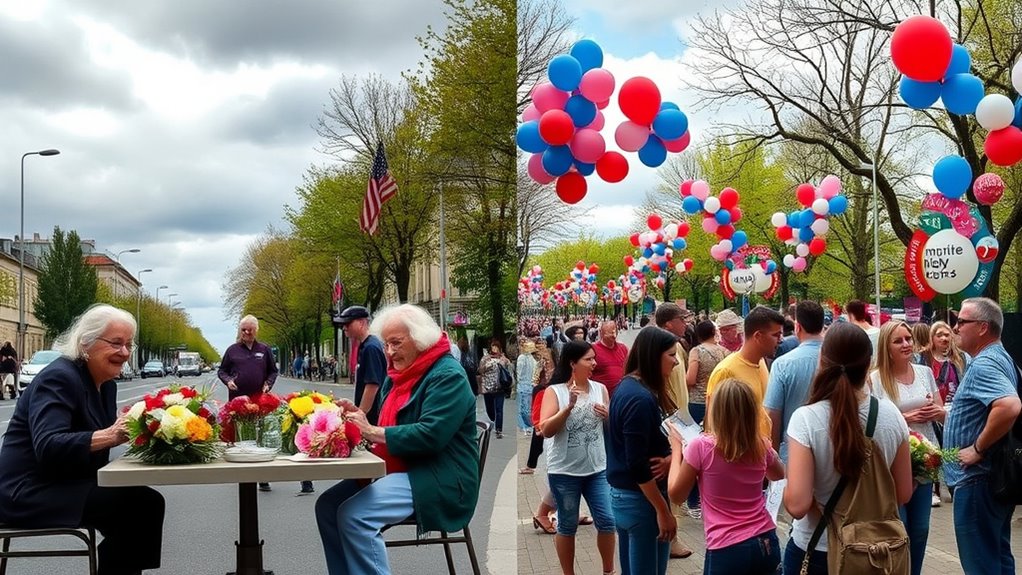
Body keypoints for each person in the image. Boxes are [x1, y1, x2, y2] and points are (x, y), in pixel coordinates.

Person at [0, 304, 165, 574]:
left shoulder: (106, 386)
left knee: (145, 505)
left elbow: (100, 445)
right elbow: (49, 445)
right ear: (85, 343)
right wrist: (110, 435)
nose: (125, 353)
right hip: (28, 491)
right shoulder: (59, 378)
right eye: (116, 343)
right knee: (138, 507)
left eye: (129, 345)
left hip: (65, 482)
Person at [316, 304, 479, 575]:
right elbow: (389, 424)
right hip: (409, 465)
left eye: (396, 343)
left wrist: (371, 431)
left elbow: (431, 435)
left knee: (356, 515)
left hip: (439, 476)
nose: (389, 352)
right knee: (327, 506)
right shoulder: (398, 374)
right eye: (386, 344)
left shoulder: (448, 375)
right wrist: (359, 416)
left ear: (420, 340)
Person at [781, 322, 912, 574]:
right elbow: (903, 493)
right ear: (869, 363)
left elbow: (797, 505)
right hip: (875, 553)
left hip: (819, 549)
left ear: (822, 360)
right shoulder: (891, 415)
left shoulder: (806, 419)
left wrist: (784, 484)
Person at [667, 379, 786, 575]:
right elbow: (778, 473)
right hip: (765, 540)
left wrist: (677, 450)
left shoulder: (701, 447)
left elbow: (676, 495)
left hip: (726, 547)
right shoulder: (760, 445)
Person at [943, 298, 1021, 575]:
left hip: (977, 480)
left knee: (981, 565)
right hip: (992, 479)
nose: (955, 328)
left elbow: (1009, 405)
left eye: (961, 322)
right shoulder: (1001, 357)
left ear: (983, 327)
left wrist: (977, 447)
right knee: (999, 558)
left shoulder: (984, 364)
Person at [606, 326, 683, 575]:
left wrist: (671, 458)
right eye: (671, 355)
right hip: (641, 501)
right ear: (653, 355)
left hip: (628, 497)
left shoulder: (628, 387)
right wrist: (662, 510)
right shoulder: (640, 398)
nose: (676, 362)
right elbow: (637, 464)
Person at [870, 320, 944, 575]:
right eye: (898, 341)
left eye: (908, 339)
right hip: (892, 463)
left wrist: (936, 412)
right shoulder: (876, 379)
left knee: (921, 528)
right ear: (886, 347)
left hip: (924, 459)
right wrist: (905, 418)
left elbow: (940, 409)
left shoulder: (924, 373)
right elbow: (873, 422)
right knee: (898, 526)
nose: (906, 344)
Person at [539, 340, 615, 575]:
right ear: (573, 363)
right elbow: (546, 429)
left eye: (594, 358)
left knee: (608, 521)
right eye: (588, 359)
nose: (594, 363)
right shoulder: (555, 391)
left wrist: (609, 416)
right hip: (564, 472)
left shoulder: (600, 389)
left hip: (597, 469)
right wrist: (568, 408)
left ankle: (609, 571)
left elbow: (610, 429)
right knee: (568, 525)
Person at [218, 315, 289, 492]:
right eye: (243, 330)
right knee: (241, 437)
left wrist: (268, 384)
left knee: (260, 438)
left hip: (260, 401)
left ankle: (262, 478)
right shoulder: (232, 350)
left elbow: (273, 371)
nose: (246, 333)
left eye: (250, 330)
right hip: (238, 401)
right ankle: (243, 476)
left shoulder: (264, 349)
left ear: (256, 330)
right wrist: (228, 381)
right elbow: (222, 371)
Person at [652, 303, 696, 558]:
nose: (686, 323)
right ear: (669, 323)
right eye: (682, 319)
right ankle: (670, 537)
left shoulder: (676, 346)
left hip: (679, 419)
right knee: (670, 478)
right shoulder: (662, 347)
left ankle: (670, 534)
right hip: (670, 422)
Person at [706, 306, 784, 439]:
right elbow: (713, 427)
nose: (781, 340)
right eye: (776, 335)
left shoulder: (761, 362)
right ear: (758, 336)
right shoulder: (725, 371)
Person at [765, 300, 825, 465]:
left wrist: (774, 458)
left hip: (792, 454)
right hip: (831, 452)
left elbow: (773, 414)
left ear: (798, 327)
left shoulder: (783, 365)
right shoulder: (838, 359)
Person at [338, 305, 386, 426]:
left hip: (374, 416)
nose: (344, 327)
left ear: (361, 323)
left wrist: (361, 414)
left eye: (348, 323)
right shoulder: (367, 345)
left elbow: (372, 384)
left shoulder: (371, 347)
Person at [479, 339, 512, 439]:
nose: (495, 349)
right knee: (490, 409)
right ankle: (493, 420)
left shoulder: (503, 358)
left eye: (496, 347)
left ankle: (499, 429)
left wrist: (504, 362)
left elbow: (509, 369)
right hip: (488, 388)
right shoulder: (485, 358)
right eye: (493, 347)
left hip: (499, 388)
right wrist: (488, 363)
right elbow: (480, 370)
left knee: (499, 409)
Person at [590, 320, 629, 397]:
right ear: (602, 333)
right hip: (602, 396)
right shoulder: (593, 350)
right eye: (610, 333)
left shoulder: (623, 348)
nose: (614, 336)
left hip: (621, 395)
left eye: (615, 332)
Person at [517, 340, 539, 436]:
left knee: (522, 409)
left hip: (522, 385)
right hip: (530, 386)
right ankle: (529, 426)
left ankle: (526, 427)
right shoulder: (533, 360)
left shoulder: (522, 358)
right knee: (528, 408)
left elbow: (519, 372)